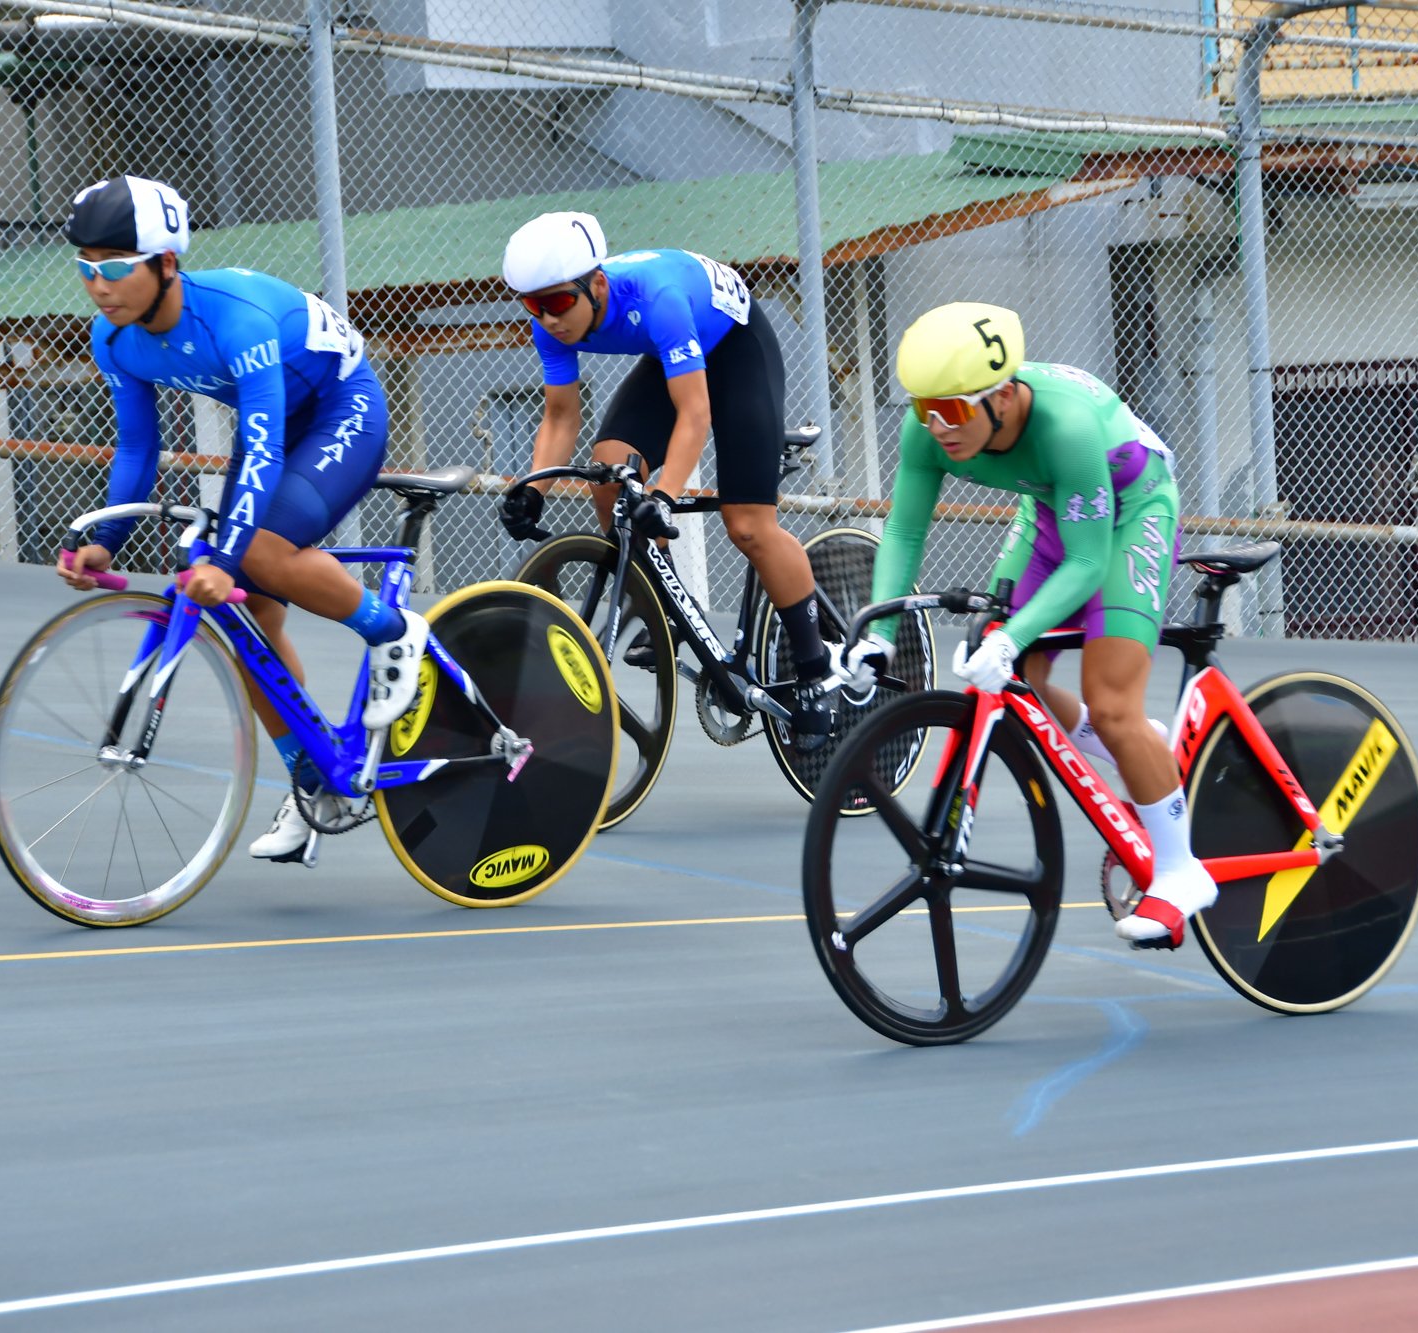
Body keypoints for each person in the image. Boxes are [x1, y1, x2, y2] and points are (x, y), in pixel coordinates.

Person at [53, 174, 424, 865]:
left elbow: (263, 447)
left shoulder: (236, 318)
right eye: (83, 266)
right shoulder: (115, 339)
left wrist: (226, 560)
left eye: (112, 266)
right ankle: (314, 781)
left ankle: (395, 631)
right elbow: (138, 446)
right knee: (251, 622)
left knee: (255, 556)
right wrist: (106, 542)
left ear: (167, 263)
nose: (97, 284)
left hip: (341, 410)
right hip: (275, 427)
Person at [846, 301, 1212, 949]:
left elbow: (1090, 560)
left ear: (1005, 396)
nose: (938, 428)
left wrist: (1013, 635)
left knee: (1110, 699)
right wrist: (876, 633)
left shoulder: (1064, 425)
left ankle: (1182, 871)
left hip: (1130, 511)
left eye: (953, 411)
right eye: (924, 410)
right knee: (1019, 682)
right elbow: (904, 530)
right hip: (1049, 508)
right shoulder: (928, 428)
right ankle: (1142, 748)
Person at [494, 211, 836, 750]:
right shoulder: (550, 320)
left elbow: (694, 414)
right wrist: (531, 487)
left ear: (597, 284)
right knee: (608, 467)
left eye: (559, 303)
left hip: (734, 347)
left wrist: (662, 497)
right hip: (671, 355)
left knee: (747, 525)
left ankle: (817, 672)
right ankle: (668, 609)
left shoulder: (658, 301)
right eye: (533, 305)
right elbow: (560, 416)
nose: (549, 319)